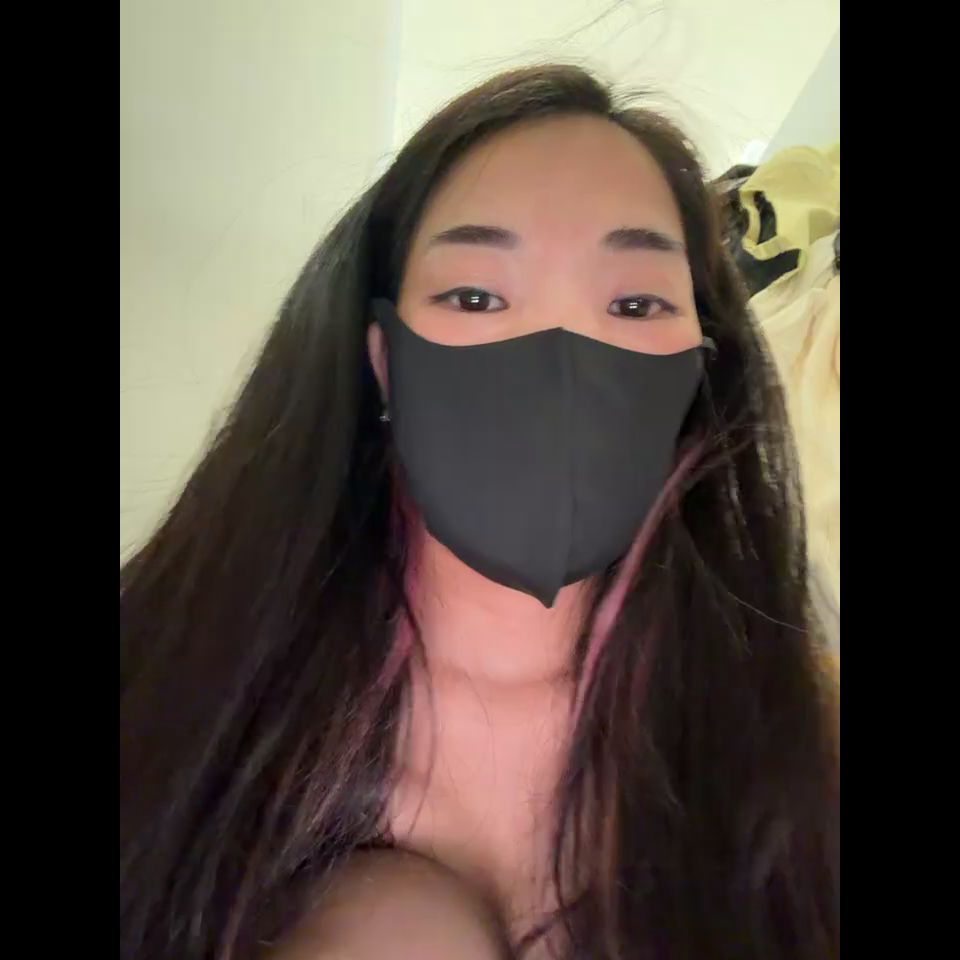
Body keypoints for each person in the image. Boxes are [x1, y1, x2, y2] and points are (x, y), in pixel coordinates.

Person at [120, 64, 840, 960]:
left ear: (701, 366)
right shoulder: (165, 686)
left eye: (634, 302)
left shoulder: (798, 740)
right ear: (385, 363)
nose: (564, 355)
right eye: (474, 296)